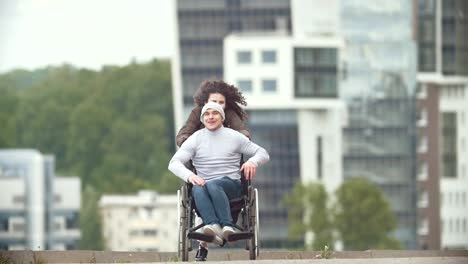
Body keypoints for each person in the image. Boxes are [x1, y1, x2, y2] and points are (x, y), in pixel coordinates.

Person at [168, 102, 269, 261]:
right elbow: (173, 163)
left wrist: (252, 162)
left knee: (211, 184)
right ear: (202, 118)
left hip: (231, 186)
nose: (210, 117)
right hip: (203, 186)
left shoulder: (234, 136)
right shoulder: (195, 139)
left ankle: (227, 225)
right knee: (197, 188)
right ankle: (213, 226)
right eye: (206, 114)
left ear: (222, 117)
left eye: (214, 113)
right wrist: (190, 176)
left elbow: (262, 153)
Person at [176, 80, 250, 147]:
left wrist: (236, 142)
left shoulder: (229, 113)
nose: (217, 105)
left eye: (221, 102)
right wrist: (192, 145)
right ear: (205, 102)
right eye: (214, 101)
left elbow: (243, 131)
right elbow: (183, 134)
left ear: (226, 104)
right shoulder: (197, 112)